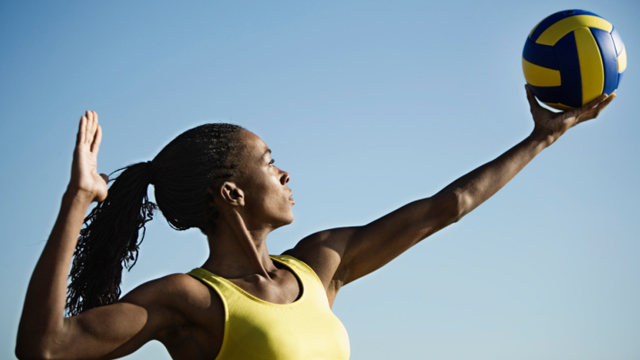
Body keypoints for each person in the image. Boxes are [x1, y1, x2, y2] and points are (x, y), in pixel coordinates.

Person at [16, 86, 615, 360]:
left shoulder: (322, 263)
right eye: (269, 162)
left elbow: (446, 207)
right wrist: (78, 200)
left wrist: (543, 138)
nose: (284, 174)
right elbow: (44, 348)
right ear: (230, 193)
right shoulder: (189, 300)